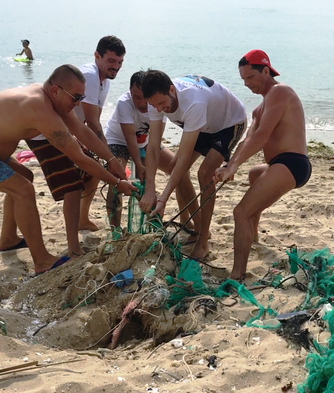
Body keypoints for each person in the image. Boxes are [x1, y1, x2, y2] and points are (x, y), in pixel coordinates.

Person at [0, 64, 135, 275]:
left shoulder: (50, 99)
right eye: (75, 98)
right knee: (22, 190)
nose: (77, 104)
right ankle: (41, 261)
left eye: (81, 98)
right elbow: (79, 158)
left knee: (25, 175)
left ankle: (8, 239)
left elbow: (81, 129)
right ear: (55, 90)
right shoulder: (40, 109)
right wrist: (116, 182)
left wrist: (111, 158)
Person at [214, 49, 311, 281]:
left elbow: (261, 137)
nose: (247, 84)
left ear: (265, 71)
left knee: (240, 212)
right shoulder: (259, 107)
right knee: (254, 174)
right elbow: (248, 139)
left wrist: (234, 166)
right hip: (277, 164)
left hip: (293, 163)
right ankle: (253, 236)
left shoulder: (280, 91)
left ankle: (237, 274)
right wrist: (228, 165)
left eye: (250, 77)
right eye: (243, 79)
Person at [27, 36, 125, 257]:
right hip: (54, 131)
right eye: (111, 61)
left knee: (92, 174)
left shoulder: (104, 81)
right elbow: (91, 121)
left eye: (119, 62)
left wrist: (104, 155)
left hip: (73, 129)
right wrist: (109, 157)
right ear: (97, 56)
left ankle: (82, 219)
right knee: (74, 184)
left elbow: (89, 120)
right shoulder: (89, 76)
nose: (116, 67)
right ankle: (73, 247)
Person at [140, 71, 247, 260]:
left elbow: (184, 159)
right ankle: (194, 226)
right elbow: (153, 147)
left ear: (172, 90)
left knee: (204, 173)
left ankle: (203, 240)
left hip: (230, 122)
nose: (158, 109)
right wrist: (150, 189)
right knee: (174, 169)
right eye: (153, 105)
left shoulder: (193, 101)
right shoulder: (155, 103)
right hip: (205, 124)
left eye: (161, 103)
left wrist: (163, 199)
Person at [104, 71, 195, 230]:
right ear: (130, 92)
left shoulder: (157, 103)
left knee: (180, 171)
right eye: (136, 97)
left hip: (147, 142)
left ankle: (185, 218)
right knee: (116, 178)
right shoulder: (124, 103)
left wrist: (147, 167)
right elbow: (130, 137)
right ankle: (115, 229)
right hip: (119, 141)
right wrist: (139, 165)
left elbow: (155, 139)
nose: (140, 103)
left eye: (143, 98)